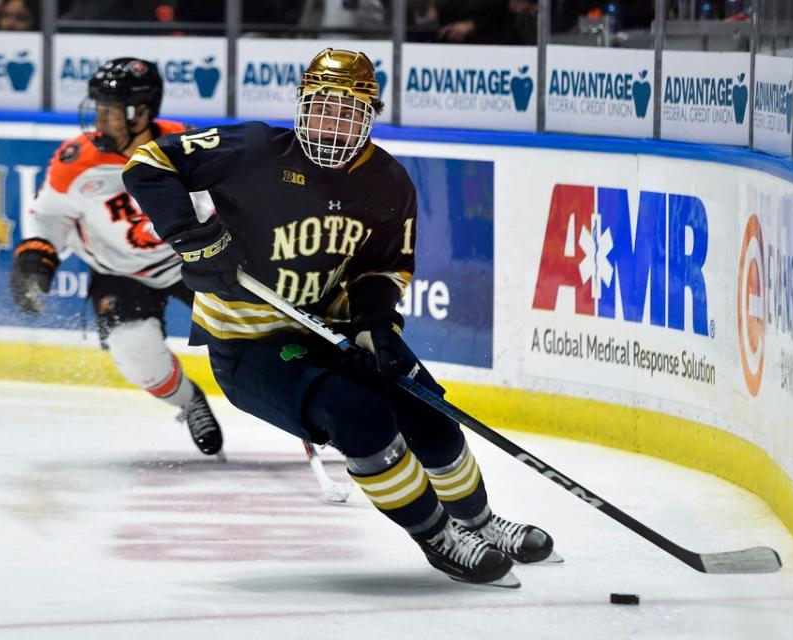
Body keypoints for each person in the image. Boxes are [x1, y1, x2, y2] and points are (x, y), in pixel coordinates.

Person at [123, 48, 557, 587]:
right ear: (303, 106)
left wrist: (377, 325)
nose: (332, 124)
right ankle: (441, 538)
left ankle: (481, 522)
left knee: (432, 420)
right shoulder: (256, 150)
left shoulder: (387, 183)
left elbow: (384, 269)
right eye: (322, 108)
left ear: (369, 116)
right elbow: (148, 164)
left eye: (347, 111)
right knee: (363, 421)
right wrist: (192, 236)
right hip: (252, 345)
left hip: (332, 329)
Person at [10, 58, 224, 458]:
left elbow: (230, 203)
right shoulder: (78, 161)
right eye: (98, 107)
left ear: (141, 111)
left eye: (109, 109)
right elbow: (49, 214)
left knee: (255, 332)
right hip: (120, 273)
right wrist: (37, 255)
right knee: (134, 351)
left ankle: (296, 399)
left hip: (193, 263)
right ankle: (188, 402)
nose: (99, 119)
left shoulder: (188, 148)